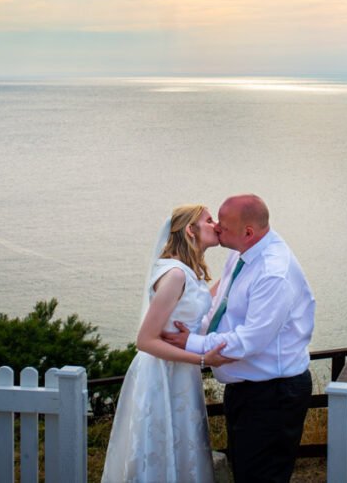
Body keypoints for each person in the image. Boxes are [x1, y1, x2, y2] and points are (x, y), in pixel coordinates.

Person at [163, 194, 316, 483]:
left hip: (273, 394)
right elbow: (223, 302)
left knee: (261, 477)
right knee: (246, 472)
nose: (218, 228)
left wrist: (191, 344)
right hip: (248, 391)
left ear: (248, 232)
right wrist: (194, 326)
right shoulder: (242, 252)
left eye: (224, 226)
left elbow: (249, 341)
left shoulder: (274, 272)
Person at [101, 204, 235, 483]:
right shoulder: (174, 275)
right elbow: (145, 340)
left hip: (180, 373)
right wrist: (202, 360)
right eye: (208, 220)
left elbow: (203, 301)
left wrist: (237, 270)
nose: (216, 224)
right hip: (162, 374)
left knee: (182, 447)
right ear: (190, 230)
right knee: (161, 449)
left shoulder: (188, 272)